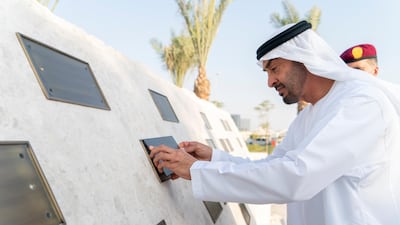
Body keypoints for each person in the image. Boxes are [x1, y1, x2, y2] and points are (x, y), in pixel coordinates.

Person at [150, 20, 400, 225]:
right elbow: (276, 165)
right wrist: (213, 159)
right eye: (267, 73)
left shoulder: (362, 104)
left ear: (305, 59)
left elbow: (295, 176)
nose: (270, 82)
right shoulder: (309, 116)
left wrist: (196, 171)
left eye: (275, 69)